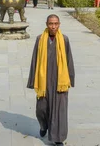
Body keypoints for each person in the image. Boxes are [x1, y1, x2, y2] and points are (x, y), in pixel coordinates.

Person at [27, 14, 75, 146]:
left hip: (60, 82)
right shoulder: (40, 39)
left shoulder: (64, 40)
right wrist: (32, 81)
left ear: (59, 24)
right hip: (44, 81)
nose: (53, 26)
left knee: (59, 110)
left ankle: (58, 138)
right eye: (50, 24)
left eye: (56, 23)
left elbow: (69, 60)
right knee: (41, 109)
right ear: (46, 24)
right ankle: (43, 125)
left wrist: (70, 79)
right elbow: (35, 60)